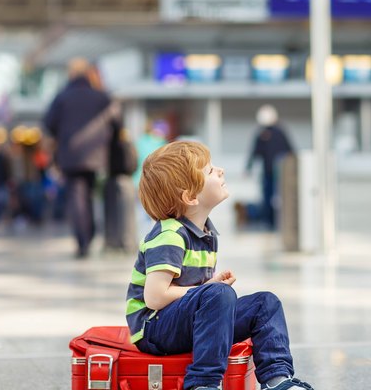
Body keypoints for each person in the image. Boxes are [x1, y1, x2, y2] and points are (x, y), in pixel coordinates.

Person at [128, 141, 313, 390]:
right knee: (219, 294)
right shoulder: (169, 235)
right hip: (155, 328)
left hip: (184, 320)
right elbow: (155, 296)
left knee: (265, 304)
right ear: (190, 197)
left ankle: (277, 379)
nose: (220, 171)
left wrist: (208, 288)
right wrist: (209, 291)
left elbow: (193, 295)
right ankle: (203, 383)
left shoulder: (205, 233)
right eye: (210, 171)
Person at [43, 57, 119, 257]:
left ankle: (83, 240)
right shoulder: (100, 96)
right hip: (96, 155)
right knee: (91, 194)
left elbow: (49, 122)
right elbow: (117, 121)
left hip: (70, 155)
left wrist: (63, 134)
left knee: (77, 197)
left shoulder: (62, 97)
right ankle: (91, 233)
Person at [244, 105, 294, 230]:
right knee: (270, 197)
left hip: (279, 173)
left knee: (276, 198)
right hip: (271, 172)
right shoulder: (265, 134)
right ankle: (271, 222)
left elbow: (289, 151)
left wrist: (248, 168)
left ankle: (274, 222)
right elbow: (255, 152)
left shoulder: (277, 132)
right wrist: (248, 168)